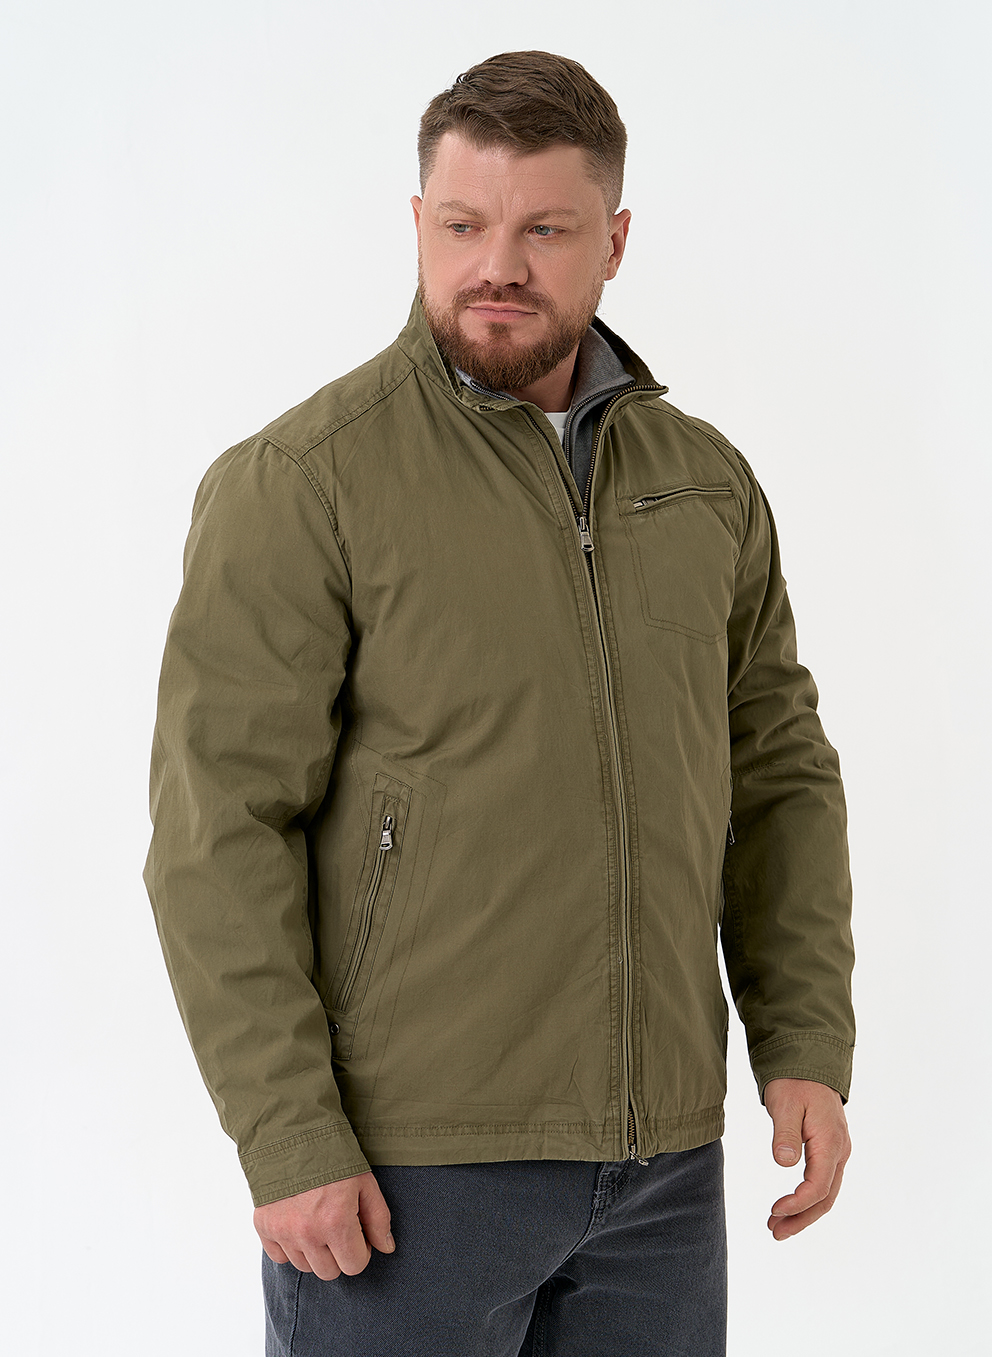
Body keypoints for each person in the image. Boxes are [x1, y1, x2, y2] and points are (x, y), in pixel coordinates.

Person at [145, 50, 854, 1357]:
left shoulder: (704, 485)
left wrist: (802, 1039)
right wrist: (288, 1133)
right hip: (406, 1166)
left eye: (546, 231)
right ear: (419, 221)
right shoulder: (306, 482)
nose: (498, 267)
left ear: (615, 242)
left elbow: (779, 772)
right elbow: (218, 831)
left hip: (661, 1171)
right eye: (465, 225)